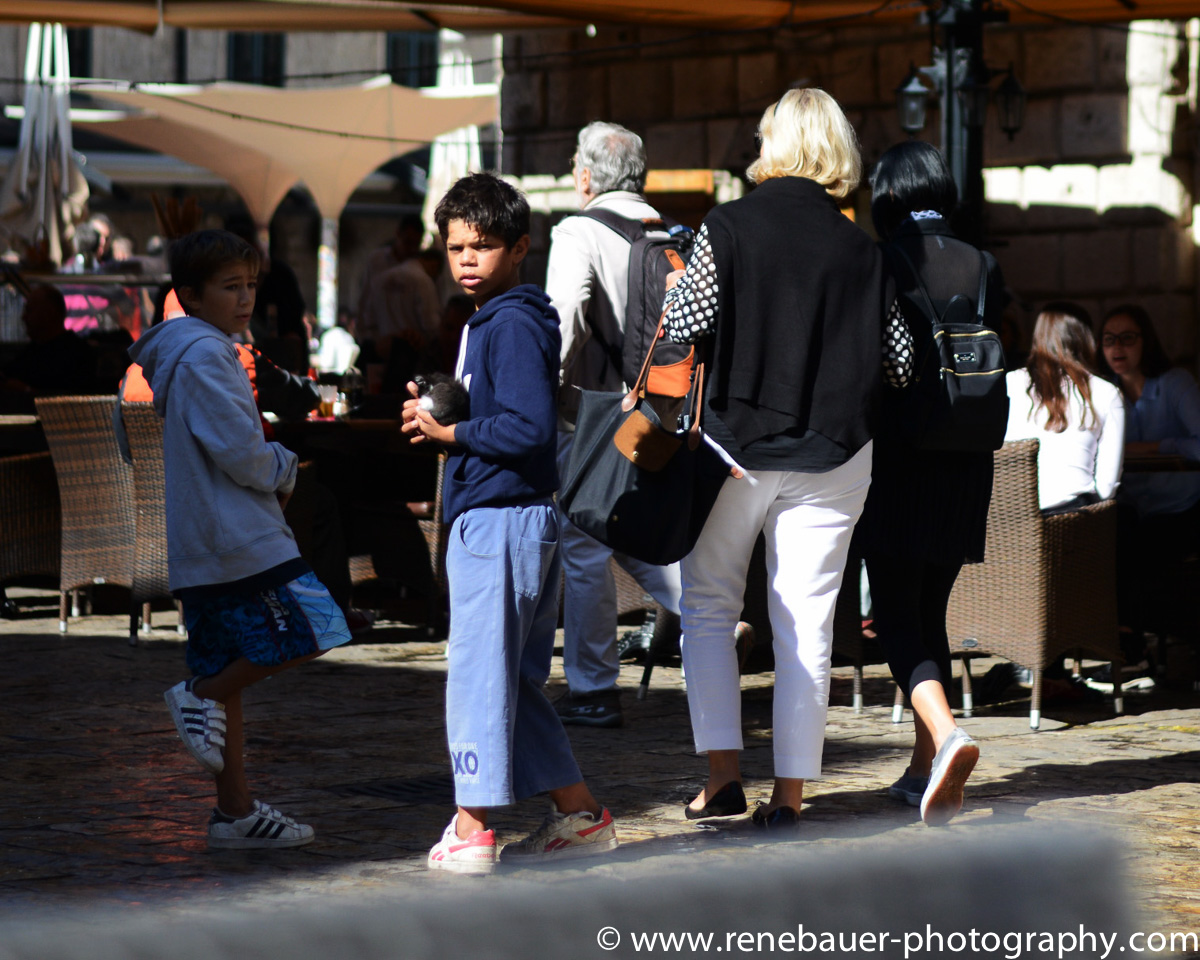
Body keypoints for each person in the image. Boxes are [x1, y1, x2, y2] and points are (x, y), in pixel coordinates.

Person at [662, 88, 889, 831]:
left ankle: (721, 778)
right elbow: (898, 360)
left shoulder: (727, 226)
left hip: (736, 444)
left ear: (776, 144)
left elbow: (685, 324)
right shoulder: (863, 247)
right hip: (835, 452)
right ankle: (789, 795)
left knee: (708, 608)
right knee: (807, 624)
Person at [402, 173, 618, 874]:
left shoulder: (513, 322)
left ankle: (472, 828)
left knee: (479, 677)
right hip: (509, 520)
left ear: (520, 248)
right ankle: (580, 816)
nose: (467, 259)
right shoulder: (493, 319)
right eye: (456, 247)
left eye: (484, 245)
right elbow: (507, 411)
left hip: (501, 520)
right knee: (515, 685)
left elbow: (527, 427)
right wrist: (444, 409)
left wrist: (452, 434)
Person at [127, 229, 352, 850]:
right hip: (238, 539)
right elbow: (241, 452)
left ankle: (234, 812)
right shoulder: (205, 354)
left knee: (227, 666)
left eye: (250, 285)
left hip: (207, 541)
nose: (246, 298)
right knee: (318, 626)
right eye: (231, 287)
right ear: (192, 295)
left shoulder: (192, 350)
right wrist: (284, 466)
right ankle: (198, 696)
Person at [856, 140, 1005, 826]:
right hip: (967, 460)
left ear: (889, 192)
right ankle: (924, 768)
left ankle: (946, 737)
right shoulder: (984, 263)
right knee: (930, 612)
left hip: (900, 459)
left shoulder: (885, 260)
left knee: (893, 616)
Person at [544, 121, 685, 728]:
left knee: (584, 540)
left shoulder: (578, 230)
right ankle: (710, 615)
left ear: (584, 176)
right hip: (662, 409)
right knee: (625, 527)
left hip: (593, 413)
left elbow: (565, 316)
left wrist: (540, 392)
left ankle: (593, 689)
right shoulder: (670, 232)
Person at [1097, 304, 1200, 659]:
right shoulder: (1104, 390)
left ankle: (1149, 644)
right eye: (1109, 339)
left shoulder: (1174, 383)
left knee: (1147, 550)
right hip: (1131, 505)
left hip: (1180, 505)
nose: (1117, 347)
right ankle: (1126, 642)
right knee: (1103, 541)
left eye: (1127, 338)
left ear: (1146, 342)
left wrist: (1156, 447)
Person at [1005, 303, 1125, 514]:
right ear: (1087, 340)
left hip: (1009, 516)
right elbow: (1107, 488)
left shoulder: (1009, 384)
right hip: (1073, 517)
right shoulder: (1106, 393)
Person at [0, 284, 97, 404]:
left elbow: (71, 403)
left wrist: (26, 391)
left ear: (49, 314)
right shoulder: (32, 350)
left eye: (29, 310)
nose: (23, 317)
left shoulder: (77, 355)